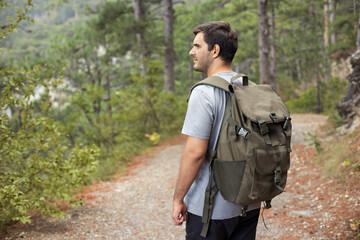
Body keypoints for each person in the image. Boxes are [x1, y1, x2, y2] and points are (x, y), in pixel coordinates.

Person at [171, 21, 261, 240]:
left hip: (211, 210)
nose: (191, 52)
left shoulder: (204, 92)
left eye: (197, 46)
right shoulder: (249, 87)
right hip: (249, 204)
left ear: (215, 50)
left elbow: (195, 153)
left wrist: (178, 198)